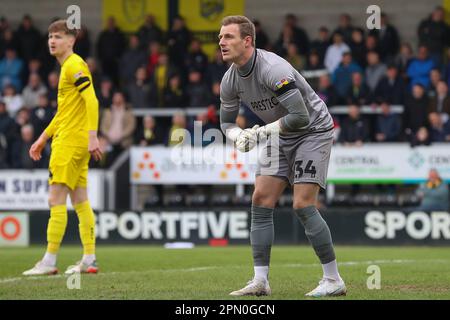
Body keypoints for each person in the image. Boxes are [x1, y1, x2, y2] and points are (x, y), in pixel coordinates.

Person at [219, 16, 346, 297]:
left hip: (312, 130)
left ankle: (333, 279)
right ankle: (260, 281)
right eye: (220, 37)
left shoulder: (273, 68)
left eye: (228, 37)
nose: (221, 42)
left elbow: (300, 117)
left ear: (247, 41)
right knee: (261, 199)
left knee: (302, 204)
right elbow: (226, 122)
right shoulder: (229, 79)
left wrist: (260, 133)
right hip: (279, 134)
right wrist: (237, 136)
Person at [22, 20, 102, 276]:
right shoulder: (69, 67)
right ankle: (89, 258)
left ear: (72, 40)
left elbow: (92, 100)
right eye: (50, 37)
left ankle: (48, 261)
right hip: (73, 140)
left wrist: (93, 136)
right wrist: (43, 137)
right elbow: (65, 112)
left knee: (55, 199)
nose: (52, 41)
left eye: (58, 36)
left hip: (69, 143)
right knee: (80, 200)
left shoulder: (74, 65)